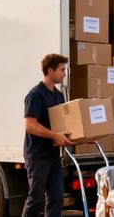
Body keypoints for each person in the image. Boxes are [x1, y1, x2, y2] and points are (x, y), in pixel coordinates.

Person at [22, 54, 74, 217]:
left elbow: (60, 125)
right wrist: (54, 136)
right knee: (36, 200)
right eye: (61, 70)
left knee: (57, 199)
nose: (64, 74)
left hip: (53, 157)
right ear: (50, 70)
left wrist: (68, 136)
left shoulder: (58, 96)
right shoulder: (36, 95)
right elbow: (30, 126)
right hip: (37, 156)